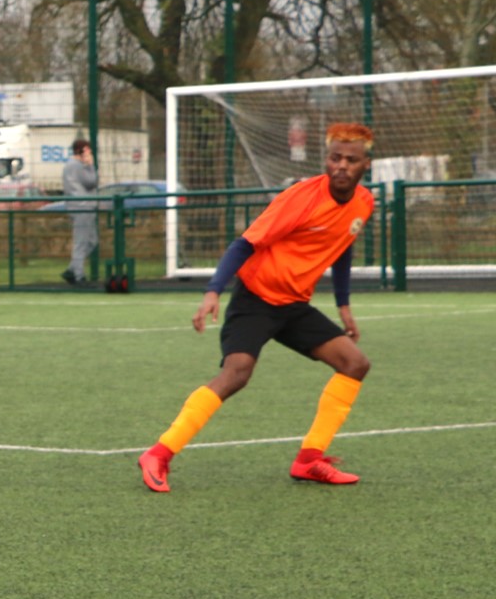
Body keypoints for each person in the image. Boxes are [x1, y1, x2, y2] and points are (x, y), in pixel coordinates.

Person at [138, 123, 376, 493]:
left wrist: (343, 305)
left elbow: (343, 246)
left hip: (295, 305)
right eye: (335, 158)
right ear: (325, 161)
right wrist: (213, 291)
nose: (342, 166)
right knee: (237, 372)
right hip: (255, 299)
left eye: (351, 160)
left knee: (355, 364)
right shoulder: (301, 198)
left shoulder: (364, 203)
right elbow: (243, 244)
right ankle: (159, 454)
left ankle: (309, 461)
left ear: (366, 165)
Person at [61, 139, 98, 286]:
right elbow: (91, 182)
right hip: (83, 206)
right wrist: (91, 166)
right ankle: (79, 276)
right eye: (88, 150)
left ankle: (71, 270)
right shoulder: (78, 166)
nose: (90, 153)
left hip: (79, 206)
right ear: (82, 151)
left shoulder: (69, 166)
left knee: (92, 241)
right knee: (81, 243)